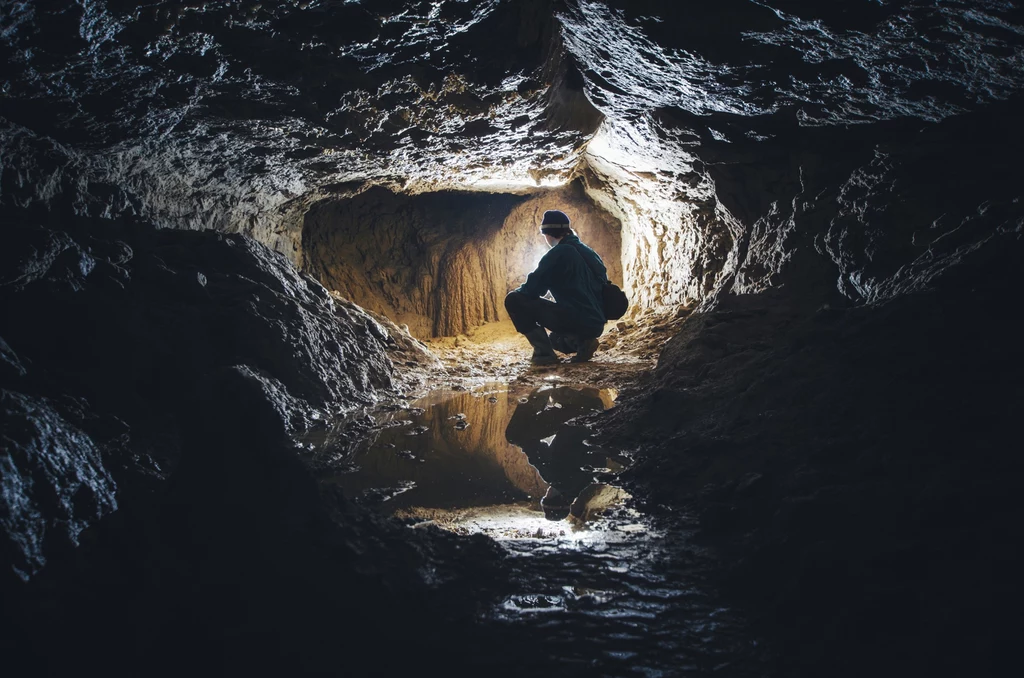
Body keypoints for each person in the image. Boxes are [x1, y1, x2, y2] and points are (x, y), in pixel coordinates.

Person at [504, 210, 607, 364]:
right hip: (596, 322)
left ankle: (544, 354)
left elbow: (531, 289)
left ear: (548, 233)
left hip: (578, 318)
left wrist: (524, 292)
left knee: (513, 300)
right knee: (555, 338)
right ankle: (582, 341)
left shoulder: (558, 253)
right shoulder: (588, 252)